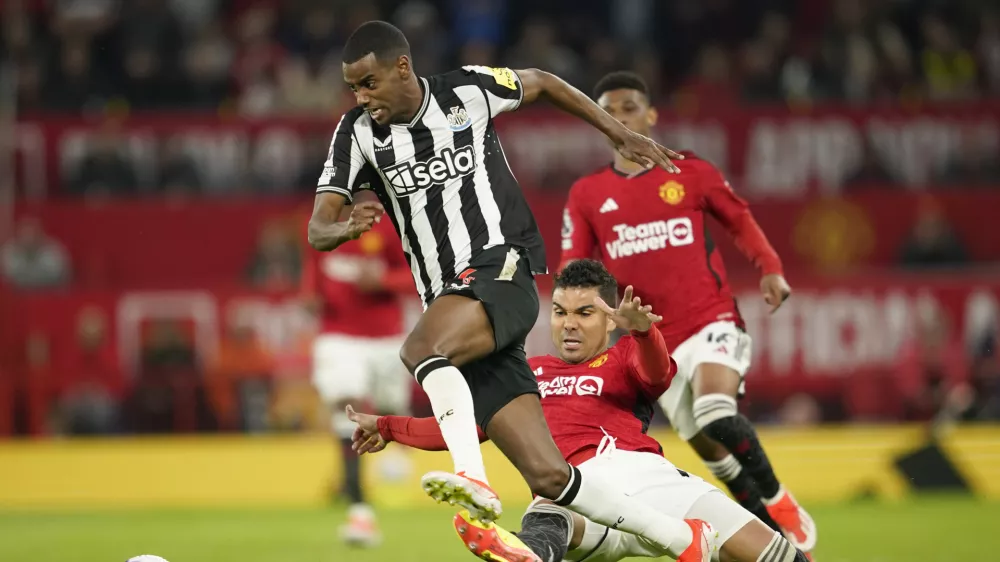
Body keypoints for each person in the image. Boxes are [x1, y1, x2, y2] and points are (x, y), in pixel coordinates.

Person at [307, 20, 708, 562]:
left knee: (420, 350)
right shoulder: (356, 132)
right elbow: (317, 227)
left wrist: (614, 130)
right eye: (354, 87)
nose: (362, 97)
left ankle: (473, 477)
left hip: (503, 266)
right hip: (453, 304)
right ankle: (685, 541)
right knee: (550, 475)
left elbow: (540, 81)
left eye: (369, 84)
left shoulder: (466, 91)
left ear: (402, 67)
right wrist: (345, 227)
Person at [347, 260, 809, 562]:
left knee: (783, 558)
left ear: (610, 318)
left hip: (650, 479)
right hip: (580, 490)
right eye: (561, 312)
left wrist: (646, 334)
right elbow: (464, 424)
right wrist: (388, 427)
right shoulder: (528, 371)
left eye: (585, 313)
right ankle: (527, 554)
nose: (569, 324)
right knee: (549, 511)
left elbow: (658, 376)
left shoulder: (626, 354)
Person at [558, 71, 817, 555]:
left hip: (710, 319)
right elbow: (575, 266)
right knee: (707, 446)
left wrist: (771, 268)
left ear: (651, 115)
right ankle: (765, 530)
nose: (621, 117)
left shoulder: (689, 171)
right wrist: (584, 310)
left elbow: (738, 218)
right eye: (609, 111)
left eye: (630, 107)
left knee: (715, 411)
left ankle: (780, 500)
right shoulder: (587, 194)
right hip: (652, 343)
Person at [301, 212, 414, 547]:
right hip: (337, 334)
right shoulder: (320, 224)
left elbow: (415, 277)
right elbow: (313, 269)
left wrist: (384, 282)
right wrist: (308, 294)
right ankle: (359, 507)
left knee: (390, 408)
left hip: (385, 337)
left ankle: (396, 457)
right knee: (345, 404)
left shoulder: (390, 226)